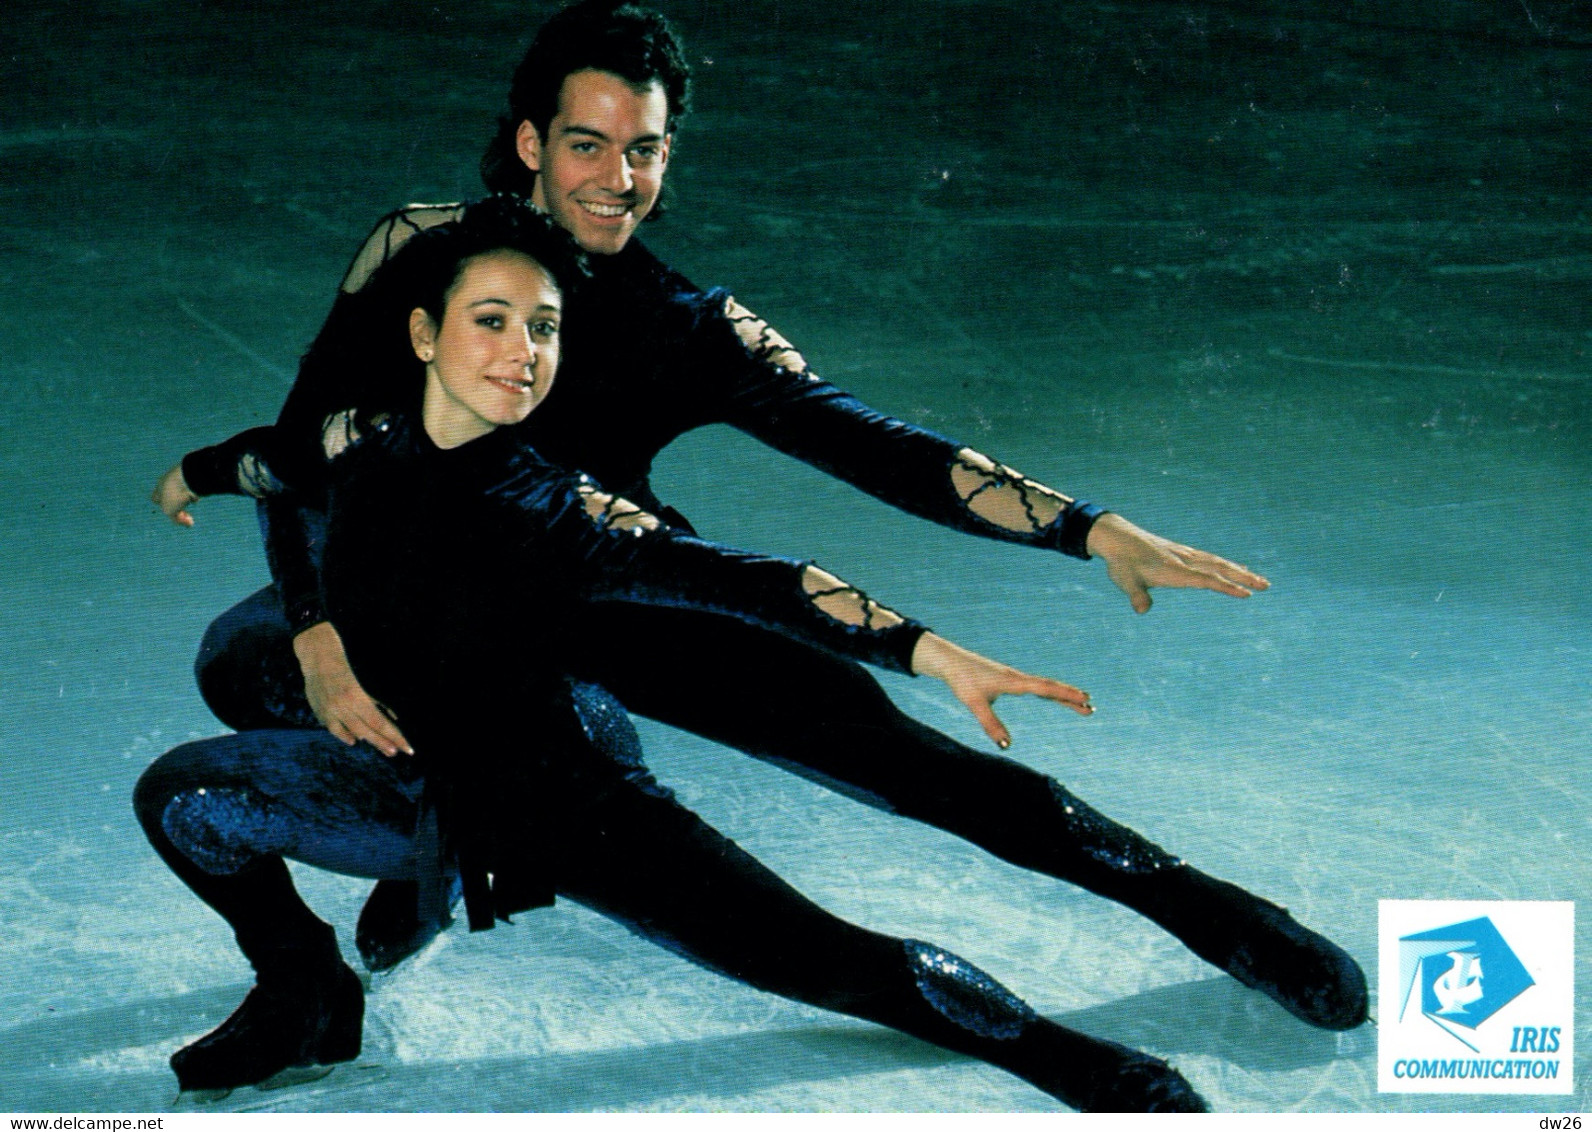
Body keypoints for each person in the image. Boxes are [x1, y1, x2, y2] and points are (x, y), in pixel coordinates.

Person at [170, 0, 1366, 1031]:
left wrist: (1084, 527)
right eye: (585, 144)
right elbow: (297, 450)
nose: (615, 179)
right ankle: (428, 849)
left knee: (907, 760)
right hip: (440, 609)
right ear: (529, 142)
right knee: (245, 656)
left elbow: (876, 445)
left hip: (624, 587)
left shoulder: (690, 325)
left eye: (644, 150)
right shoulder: (417, 254)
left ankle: (1217, 915)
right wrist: (322, 640)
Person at [140, 198, 1207, 1112]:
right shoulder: (359, 439)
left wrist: (926, 652)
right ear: (421, 333)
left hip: (541, 792)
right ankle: (304, 983)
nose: (522, 352)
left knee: (824, 960)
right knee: (237, 664)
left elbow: (756, 581)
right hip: (425, 742)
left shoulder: (558, 508)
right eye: (492, 321)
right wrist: (187, 477)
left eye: (545, 330)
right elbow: (269, 459)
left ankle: (1083, 1068)